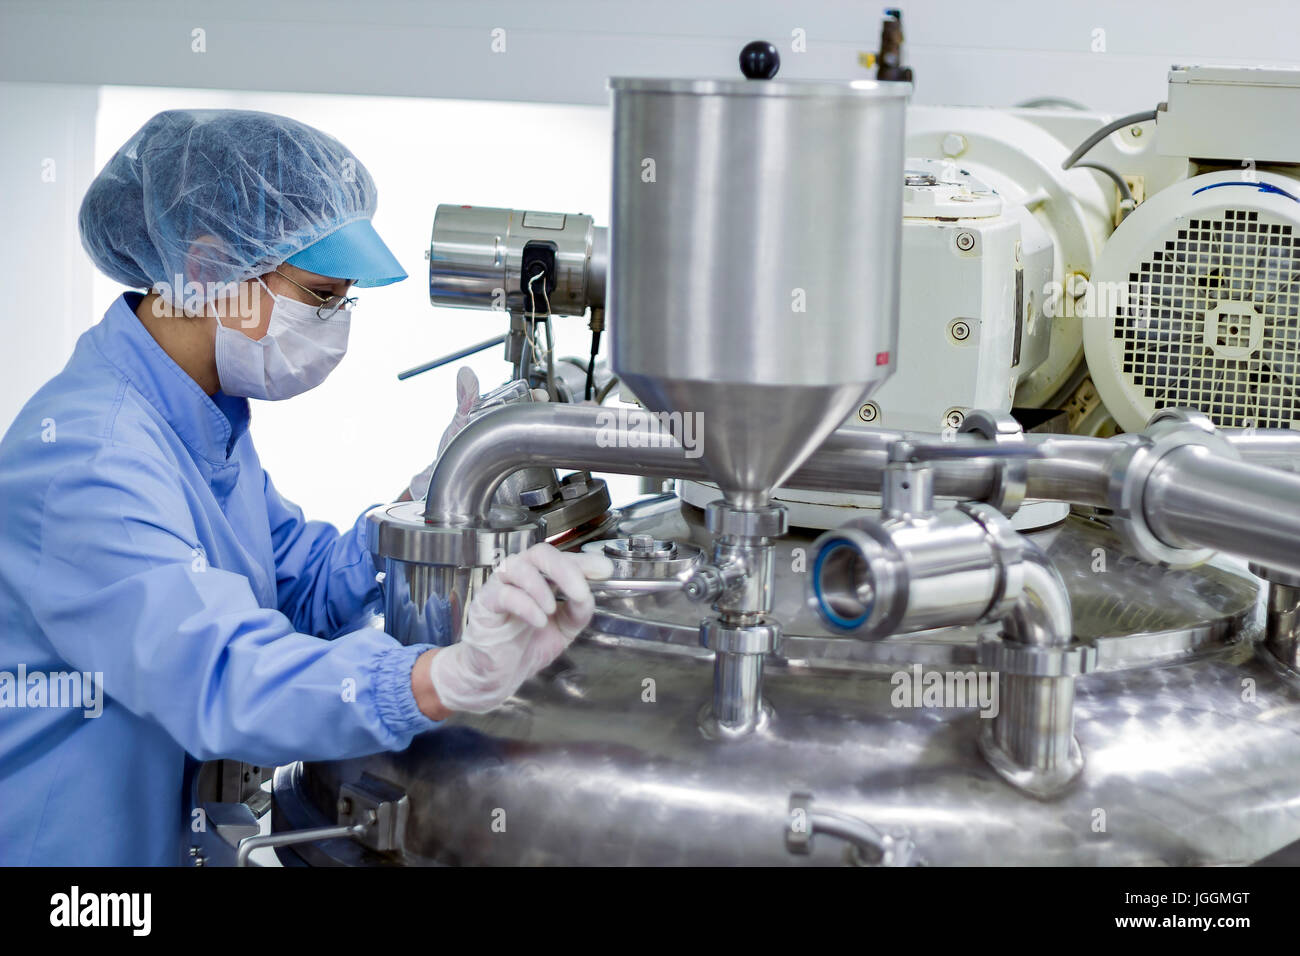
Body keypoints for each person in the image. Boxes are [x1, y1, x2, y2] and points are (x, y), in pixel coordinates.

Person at [0, 109, 609, 865]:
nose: (336, 325)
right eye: (321, 297)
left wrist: (432, 499)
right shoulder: (90, 459)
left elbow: (297, 580)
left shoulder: (199, 419)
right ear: (203, 270)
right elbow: (221, 675)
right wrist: (440, 679)